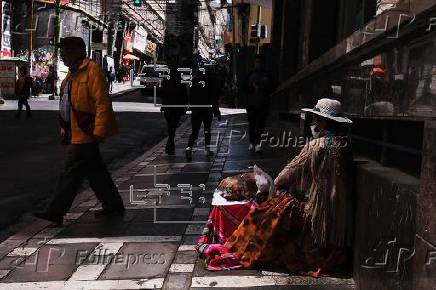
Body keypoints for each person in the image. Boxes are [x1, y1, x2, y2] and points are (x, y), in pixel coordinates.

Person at [198, 98, 354, 277]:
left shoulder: (316, 146)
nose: (312, 122)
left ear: (324, 122)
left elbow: (290, 171)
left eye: (315, 118)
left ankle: (243, 247)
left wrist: (274, 186)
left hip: (317, 213)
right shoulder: (346, 145)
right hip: (338, 217)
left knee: (271, 211)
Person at [33, 37, 125, 226]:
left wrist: (99, 130)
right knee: (95, 172)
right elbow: (67, 105)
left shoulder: (91, 71)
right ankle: (113, 204)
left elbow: (102, 102)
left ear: (77, 51)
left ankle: (55, 211)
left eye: (66, 51)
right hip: (77, 131)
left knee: (70, 172)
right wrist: (64, 130)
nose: (63, 55)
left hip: (87, 132)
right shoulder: (71, 75)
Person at [185, 65, 222, 161]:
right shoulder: (209, 83)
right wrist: (217, 112)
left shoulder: (194, 82)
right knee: (207, 130)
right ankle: (207, 149)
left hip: (196, 111)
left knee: (195, 132)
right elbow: (213, 98)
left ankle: (189, 147)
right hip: (206, 110)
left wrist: (191, 106)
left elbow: (190, 96)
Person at [244, 54, 273, 153]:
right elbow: (244, 88)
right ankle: (252, 142)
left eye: (259, 62)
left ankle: (257, 143)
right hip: (251, 104)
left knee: (260, 125)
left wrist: (264, 87)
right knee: (252, 124)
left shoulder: (267, 75)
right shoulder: (250, 74)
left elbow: (272, 87)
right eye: (256, 62)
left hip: (263, 104)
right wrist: (252, 88)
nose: (258, 64)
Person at [160, 54, 188, 155]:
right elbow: (184, 93)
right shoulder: (173, 77)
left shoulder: (169, 77)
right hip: (173, 106)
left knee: (171, 126)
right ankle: (170, 143)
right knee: (172, 126)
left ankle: (170, 143)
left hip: (172, 106)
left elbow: (162, 91)